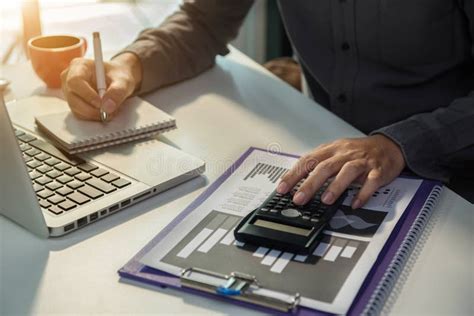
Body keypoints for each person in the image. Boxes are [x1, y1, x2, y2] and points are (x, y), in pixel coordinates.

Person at [61, 0, 474, 208]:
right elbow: (204, 21)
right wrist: (128, 67)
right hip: (324, 153)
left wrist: (396, 145)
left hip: (453, 176)